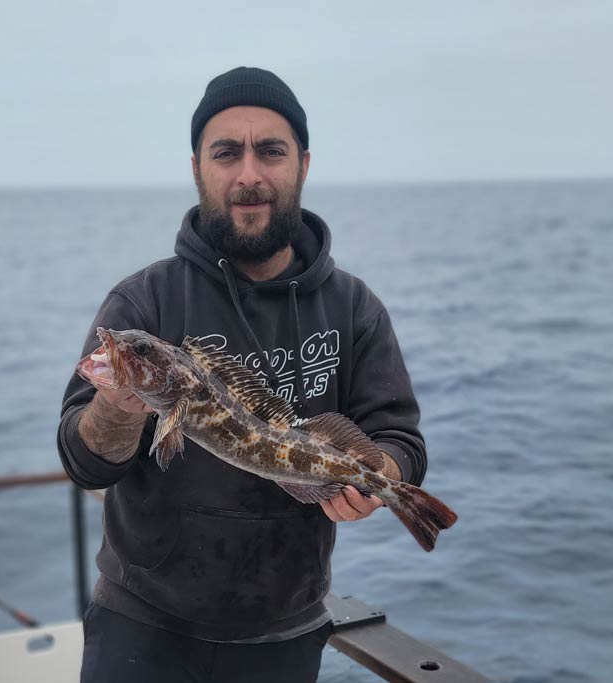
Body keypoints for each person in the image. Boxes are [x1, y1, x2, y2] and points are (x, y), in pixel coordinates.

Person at [57, 66, 426, 683]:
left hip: (285, 629)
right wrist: (119, 406)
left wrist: (379, 476)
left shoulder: (355, 308)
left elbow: (400, 438)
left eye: (271, 151)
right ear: (198, 166)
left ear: (302, 165)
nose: (249, 174)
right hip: (141, 625)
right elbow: (85, 463)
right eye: (226, 152)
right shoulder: (143, 303)